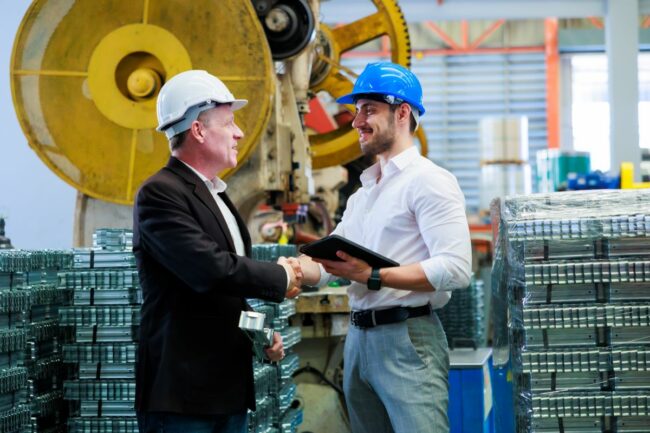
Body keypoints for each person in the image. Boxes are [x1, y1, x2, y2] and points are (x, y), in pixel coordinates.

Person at [297, 62, 472, 433]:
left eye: (369, 110)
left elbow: (456, 268)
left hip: (407, 337)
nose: (357, 121)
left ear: (403, 112)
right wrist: (294, 269)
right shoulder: (365, 195)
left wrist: (374, 276)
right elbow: (331, 261)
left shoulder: (429, 181)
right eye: (357, 110)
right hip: (358, 340)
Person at [133, 70, 302, 433]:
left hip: (226, 390)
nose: (239, 133)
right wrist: (284, 275)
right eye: (229, 123)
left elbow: (225, 292)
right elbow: (209, 269)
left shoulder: (216, 195)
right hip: (183, 397)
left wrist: (260, 332)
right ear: (198, 130)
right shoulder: (159, 194)